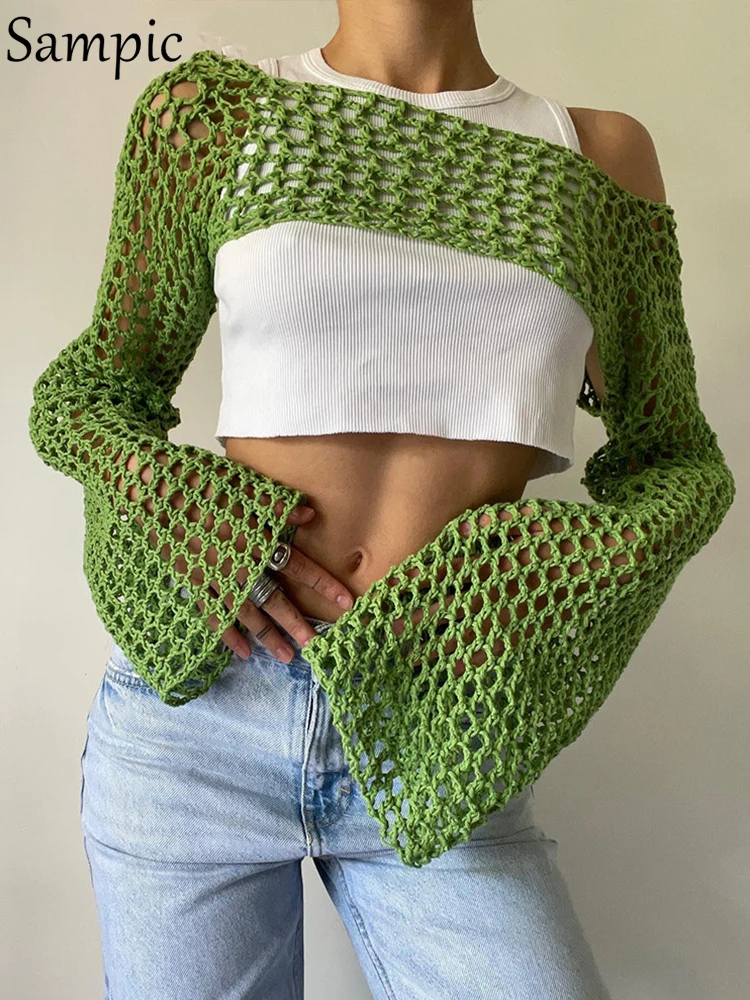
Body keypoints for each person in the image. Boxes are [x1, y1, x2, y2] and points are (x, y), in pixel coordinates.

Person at [71, 0, 672, 996]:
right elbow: (98, 395)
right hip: (200, 719)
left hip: (447, 732)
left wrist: (547, 576)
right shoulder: (216, 114)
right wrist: (183, 513)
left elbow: (673, 460)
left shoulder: (597, 158)